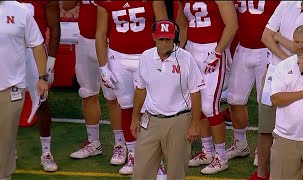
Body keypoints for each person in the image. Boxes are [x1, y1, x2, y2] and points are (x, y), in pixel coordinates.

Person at [95, 0, 168, 175]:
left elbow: (165, 28)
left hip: (148, 55)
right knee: (126, 106)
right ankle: (134, 154)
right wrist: (103, 67)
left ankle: (156, 160)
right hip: (118, 57)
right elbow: (101, 33)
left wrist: (165, 58)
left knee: (152, 108)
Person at [253, 1, 303, 179]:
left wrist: (280, 38)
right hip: (276, 71)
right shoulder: (286, 4)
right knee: (266, 126)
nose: (299, 43)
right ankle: (261, 173)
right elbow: (266, 36)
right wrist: (288, 63)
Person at [131, 20, 203, 180]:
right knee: (141, 172)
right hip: (151, 120)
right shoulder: (145, 57)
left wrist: (194, 125)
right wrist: (135, 117)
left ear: (174, 39)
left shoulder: (186, 59)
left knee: (176, 173)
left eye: (168, 39)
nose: (164, 44)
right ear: (153, 37)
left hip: (179, 121)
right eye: (161, 39)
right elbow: (140, 90)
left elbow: (196, 93)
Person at [176, 0, 238, 174]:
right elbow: (183, 23)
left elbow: (232, 25)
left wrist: (218, 52)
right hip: (192, 49)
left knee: (210, 106)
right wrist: (179, 50)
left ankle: (221, 157)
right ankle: (208, 151)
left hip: (213, 48)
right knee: (197, 101)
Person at [62, 1, 126, 166]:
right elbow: (67, 6)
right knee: (87, 92)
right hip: (85, 40)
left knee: (113, 97)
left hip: (110, 40)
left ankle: (120, 144)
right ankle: (94, 142)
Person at [226, 0, 280, 166]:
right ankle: (240, 144)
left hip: (267, 50)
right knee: (234, 100)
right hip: (243, 48)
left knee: (264, 102)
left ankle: (263, 148)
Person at [0, 1, 48, 179]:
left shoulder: (21, 11)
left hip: (10, 87)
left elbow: (37, 45)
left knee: (5, 141)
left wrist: (42, 78)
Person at [270, 25, 303, 180]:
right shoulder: (283, 66)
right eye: (296, 42)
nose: (300, 46)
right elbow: (276, 99)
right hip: (285, 137)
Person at [19, 0, 60, 172]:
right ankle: (7, 149)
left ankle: (46, 152)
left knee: (42, 101)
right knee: (5, 100)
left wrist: (50, 63)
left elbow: (55, 29)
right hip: (9, 49)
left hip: (34, 51)